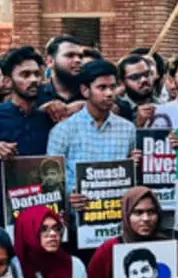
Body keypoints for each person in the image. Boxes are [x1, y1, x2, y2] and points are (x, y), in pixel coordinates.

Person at [0, 45, 52, 224]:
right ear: (8, 81)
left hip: (40, 210)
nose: (33, 80)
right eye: (25, 75)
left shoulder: (49, 116)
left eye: (36, 74)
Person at [47, 58, 135, 198]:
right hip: (78, 214)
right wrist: (71, 197)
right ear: (85, 90)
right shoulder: (63, 130)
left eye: (112, 87)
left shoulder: (128, 129)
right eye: (102, 87)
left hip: (118, 213)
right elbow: (52, 180)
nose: (109, 93)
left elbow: (132, 174)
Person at [36, 34, 88, 121]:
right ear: (50, 61)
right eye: (70, 55)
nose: (78, 60)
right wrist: (41, 112)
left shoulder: (93, 94)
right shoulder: (36, 95)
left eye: (80, 56)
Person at [114, 53, 159, 125]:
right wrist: (138, 126)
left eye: (147, 74)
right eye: (135, 77)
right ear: (122, 83)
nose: (144, 80)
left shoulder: (164, 105)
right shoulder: (117, 111)